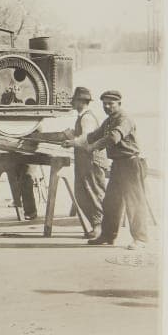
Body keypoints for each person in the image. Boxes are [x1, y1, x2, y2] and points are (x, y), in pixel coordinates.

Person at [68, 90, 150, 249]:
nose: (107, 106)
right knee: (111, 202)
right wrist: (74, 142)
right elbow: (93, 135)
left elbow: (113, 138)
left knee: (134, 203)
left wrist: (92, 147)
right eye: (104, 104)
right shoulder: (108, 121)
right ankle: (108, 236)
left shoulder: (124, 119)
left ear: (119, 104)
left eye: (111, 103)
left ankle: (140, 239)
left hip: (131, 164)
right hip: (118, 165)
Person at [39, 86, 109, 238]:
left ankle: (100, 228)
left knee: (94, 193)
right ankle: (97, 226)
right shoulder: (81, 117)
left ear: (80, 102)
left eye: (74, 100)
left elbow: (86, 138)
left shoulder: (87, 117)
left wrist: (71, 142)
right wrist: (63, 135)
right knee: (81, 194)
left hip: (92, 161)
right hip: (84, 160)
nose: (72, 103)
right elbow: (76, 135)